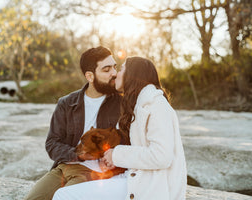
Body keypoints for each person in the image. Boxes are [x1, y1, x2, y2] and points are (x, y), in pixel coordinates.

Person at [53, 56, 187, 200]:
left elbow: (162, 156)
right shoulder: (136, 106)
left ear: (133, 75)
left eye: (121, 69)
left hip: (153, 185)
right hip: (135, 177)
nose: (116, 74)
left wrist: (117, 155)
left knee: (64, 195)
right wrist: (112, 160)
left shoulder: (157, 105)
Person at [24, 46, 123, 200]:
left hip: (96, 174)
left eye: (114, 67)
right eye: (106, 69)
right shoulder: (67, 103)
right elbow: (52, 143)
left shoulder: (122, 103)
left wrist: (115, 156)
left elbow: (131, 140)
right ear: (90, 76)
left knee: (65, 198)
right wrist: (80, 155)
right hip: (64, 167)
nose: (114, 74)